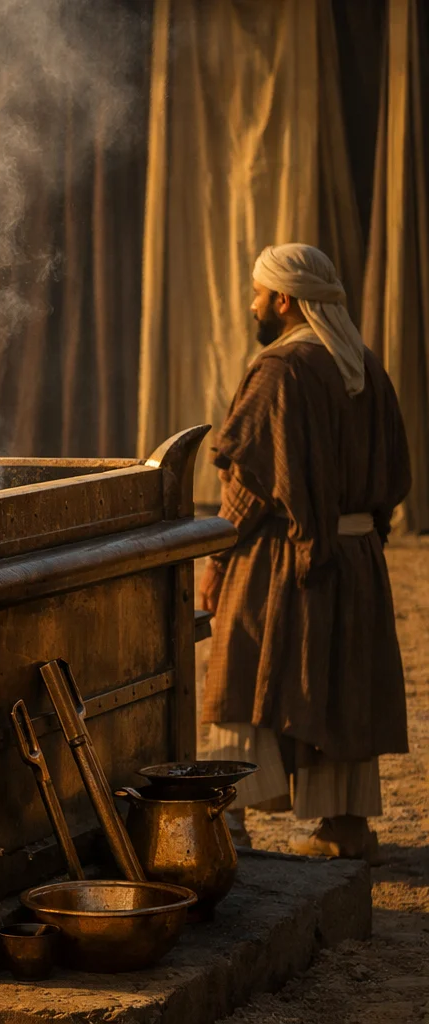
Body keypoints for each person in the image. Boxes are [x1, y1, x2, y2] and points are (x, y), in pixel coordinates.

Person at [199, 243, 410, 860]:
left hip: (282, 559)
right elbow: (395, 472)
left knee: (242, 669)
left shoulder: (279, 369)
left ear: (284, 300)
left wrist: (215, 559)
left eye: (259, 292)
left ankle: (226, 823)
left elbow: (249, 481)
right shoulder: (365, 366)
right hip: (356, 556)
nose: (252, 303)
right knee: (341, 681)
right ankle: (345, 826)